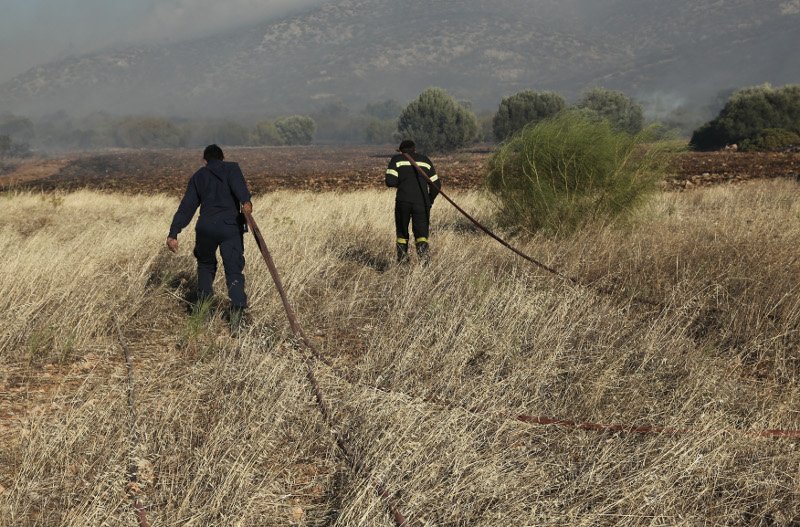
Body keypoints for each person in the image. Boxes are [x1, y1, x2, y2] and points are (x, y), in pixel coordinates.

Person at [166, 144, 253, 324]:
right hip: (230, 227)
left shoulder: (199, 176)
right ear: (223, 157)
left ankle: (203, 311)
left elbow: (187, 207)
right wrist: (246, 201)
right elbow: (240, 189)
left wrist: (174, 232)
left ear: (204, 161)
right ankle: (237, 316)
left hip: (205, 227)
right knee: (234, 270)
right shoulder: (232, 168)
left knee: (205, 265)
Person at [384, 140, 441, 262]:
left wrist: (404, 183)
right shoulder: (425, 160)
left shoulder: (397, 160)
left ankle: (403, 264)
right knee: (421, 236)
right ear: (414, 149)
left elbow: (390, 182)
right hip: (422, 203)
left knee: (402, 235)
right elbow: (436, 185)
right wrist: (429, 200)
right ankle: (424, 265)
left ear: (401, 151)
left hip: (403, 201)